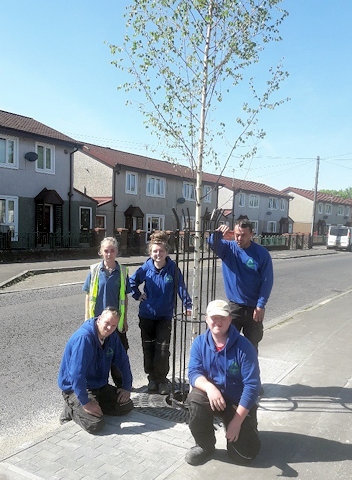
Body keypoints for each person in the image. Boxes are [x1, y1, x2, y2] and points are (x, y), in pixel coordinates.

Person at [185, 299, 261, 466]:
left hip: (237, 403)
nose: (218, 322)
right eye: (214, 317)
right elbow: (193, 373)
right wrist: (210, 387)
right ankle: (205, 446)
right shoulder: (199, 343)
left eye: (223, 318)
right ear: (206, 319)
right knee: (195, 398)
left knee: (245, 456)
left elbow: (252, 386)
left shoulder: (244, 347)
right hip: (214, 399)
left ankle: (244, 424)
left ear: (229, 320)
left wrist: (237, 421)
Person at [129, 231, 192, 395]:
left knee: (162, 350)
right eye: (155, 251)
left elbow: (181, 288)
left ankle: (162, 380)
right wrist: (138, 295)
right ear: (151, 252)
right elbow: (131, 282)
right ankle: (152, 379)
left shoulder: (173, 269)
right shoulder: (146, 268)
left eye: (161, 251)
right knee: (148, 348)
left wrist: (188, 305)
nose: (158, 254)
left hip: (164, 316)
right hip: (146, 316)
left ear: (166, 252)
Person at [57, 307, 133, 434]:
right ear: (99, 320)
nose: (109, 328)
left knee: (126, 406)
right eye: (107, 323)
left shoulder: (112, 336)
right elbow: (77, 375)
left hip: (99, 386)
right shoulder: (84, 338)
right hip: (75, 388)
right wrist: (86, 403)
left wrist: (126, 387)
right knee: (95, 424)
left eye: (113, 326)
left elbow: (123, 361)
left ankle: (95, 404)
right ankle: (70, 409)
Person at [208, 219, 274, 352]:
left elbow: (267, 281)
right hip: (234, 307)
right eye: (237, 234)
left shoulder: (261, 254)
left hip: (254, 308)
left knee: (251, 345)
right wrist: (219, 233)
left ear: (251, 234)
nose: (239, 238)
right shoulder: (228, 249)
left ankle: (249, 372)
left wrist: (261, 305)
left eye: (243, 235)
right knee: (228, 344)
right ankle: (229, 372)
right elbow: (211, 243)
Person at [82, 237, 131, 352]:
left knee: (119, 355)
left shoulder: (122, 272)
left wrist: (124, 320)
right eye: (106, 251)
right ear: (101, 252)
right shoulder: (94, 271)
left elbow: (124, 298)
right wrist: (86, 318)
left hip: (115, 321)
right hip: (97, 320)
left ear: (117, 252)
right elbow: (89, 295)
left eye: (112, 251)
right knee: (97, 354)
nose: (109, 254)